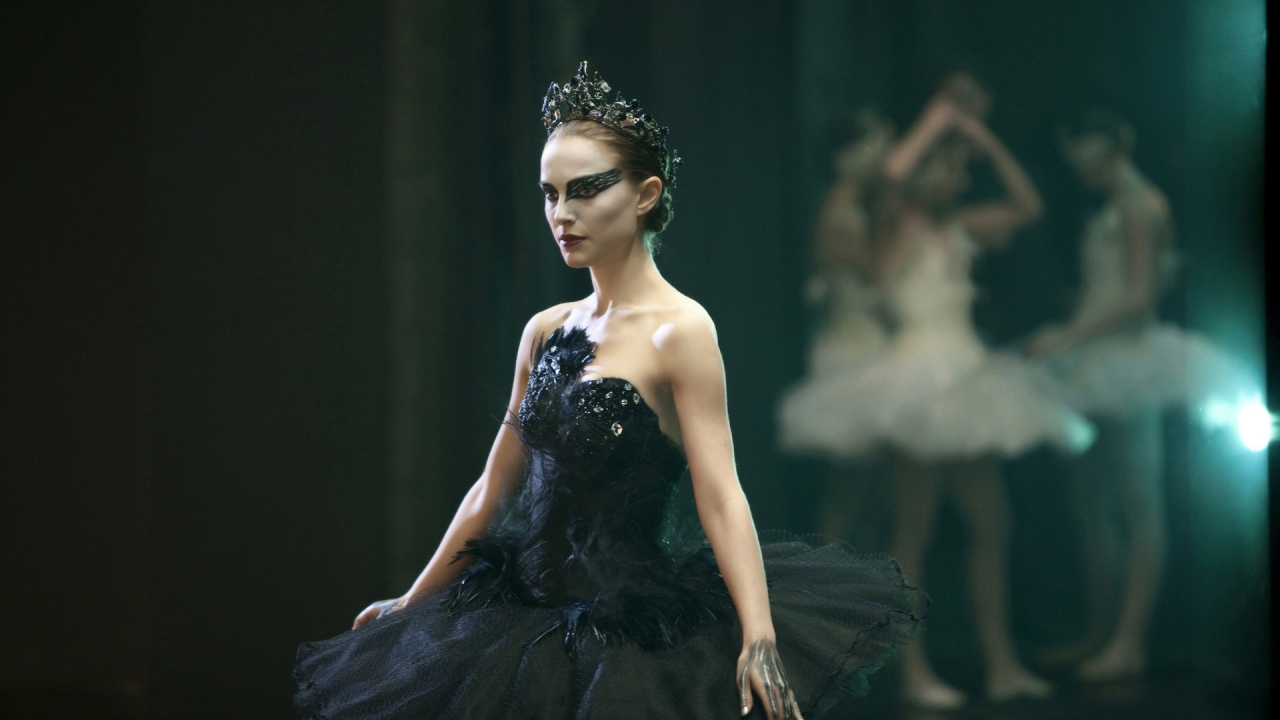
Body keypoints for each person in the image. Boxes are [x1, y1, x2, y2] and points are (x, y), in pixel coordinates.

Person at [294, 63, 925, 720]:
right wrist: (413, 600)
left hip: (625, 636)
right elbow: (493, 488)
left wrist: (759, 633)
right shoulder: (545, 329)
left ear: (646, 193)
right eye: (549, 194)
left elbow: (719, 492)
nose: (561, 214)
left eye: (585, 190)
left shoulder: (681, 331)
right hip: (514, 620)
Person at [795, 74, 1094, 710]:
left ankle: (1002, 663)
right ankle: (911, 669)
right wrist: (939, 120)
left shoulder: (956, 225)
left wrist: (980, 136)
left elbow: (1029, 208)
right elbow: (892, 185)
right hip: (919, 379)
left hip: (967, 374)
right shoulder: (894, 219)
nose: (958, 178)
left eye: (961, 168)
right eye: (948, 167)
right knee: (915, 526)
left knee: (993, 521)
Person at [1025, 108, 1244, 683]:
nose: (1082, 171)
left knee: (1136, 501)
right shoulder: (1117, 204)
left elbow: (1140, 294)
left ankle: (1129, 641)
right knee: (1090, 499)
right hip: (1094, 355)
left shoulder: (1141, 205)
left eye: (1087, 158)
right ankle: (1101, 631)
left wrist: (1067, 336)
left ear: (1112, 146)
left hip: (1128, 358)